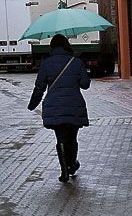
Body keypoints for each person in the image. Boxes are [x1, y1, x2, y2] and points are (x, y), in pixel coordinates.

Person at [28, 33, 91, 183]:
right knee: (72, 138)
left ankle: (64, 171)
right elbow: (85, 84)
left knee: (60, 138)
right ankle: (72, 164)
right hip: (74, 106)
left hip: (55, 107)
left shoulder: (46, 63)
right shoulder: (76, 62)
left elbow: (40, 87)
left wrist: (33, 104)